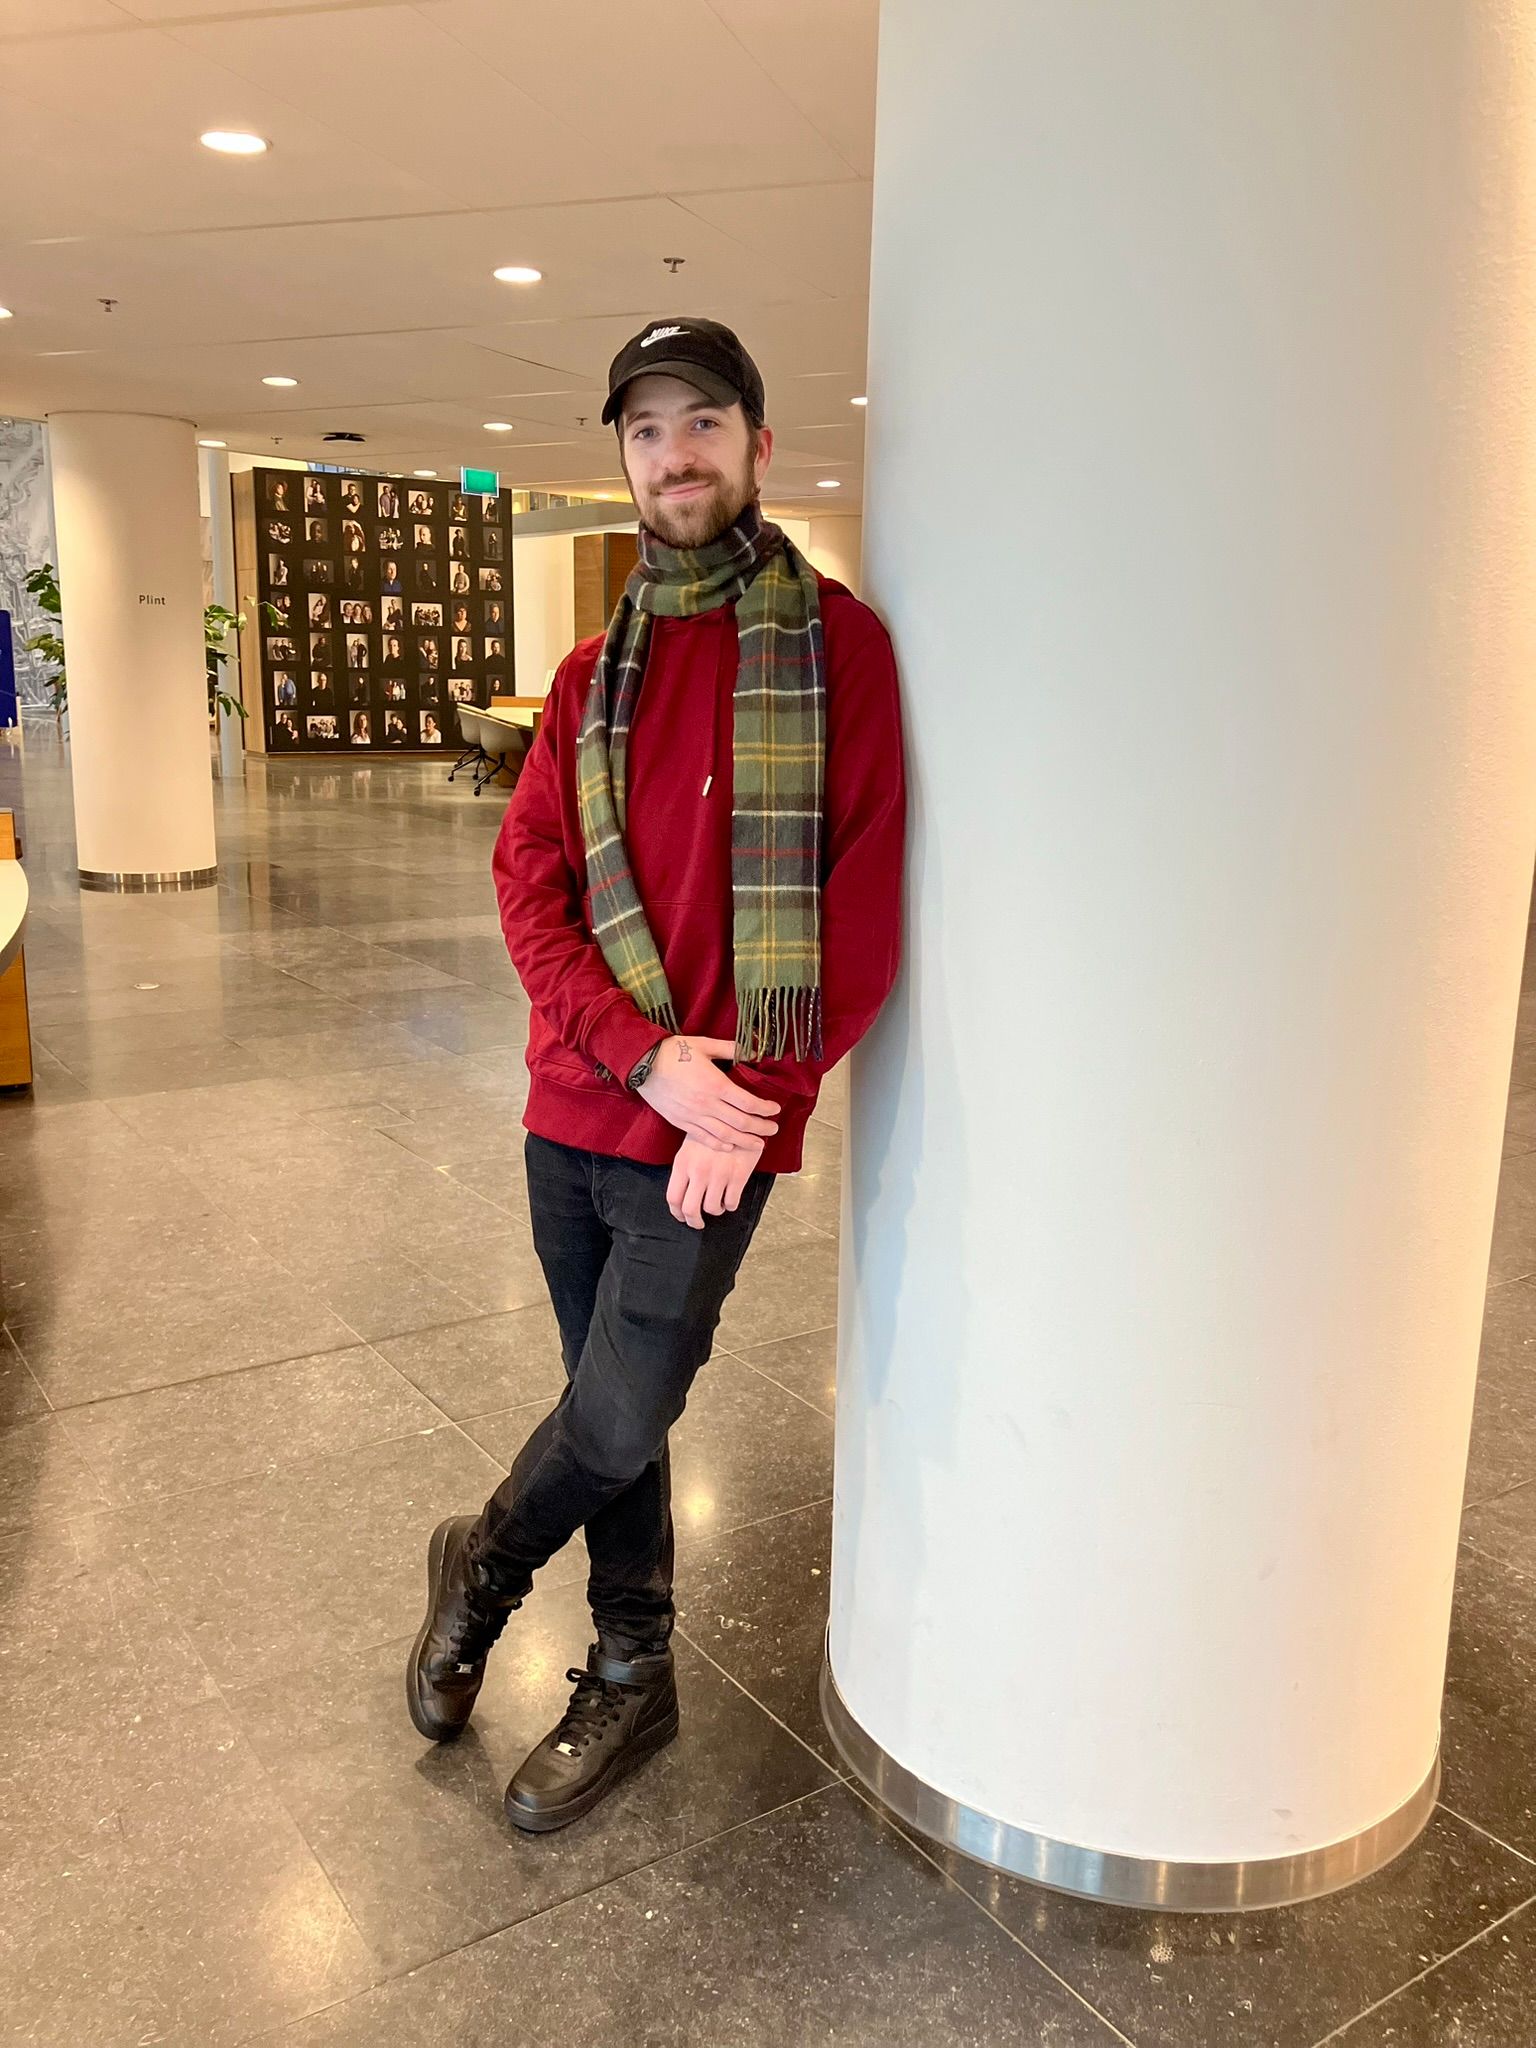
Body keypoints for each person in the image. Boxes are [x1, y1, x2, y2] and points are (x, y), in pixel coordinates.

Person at [408, 316, 905, 1833]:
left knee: (620, 1417)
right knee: (606, 1403)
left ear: (759, 443)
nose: (674, 454)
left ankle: (480, 1570)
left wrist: (748, 1108)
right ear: (620, 457)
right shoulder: (585, 679)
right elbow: (530, 887)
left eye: (703, 423)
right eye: (646, 430)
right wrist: (640, 1057)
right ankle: (633, 1664)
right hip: (580, 1110)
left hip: (711, 1138)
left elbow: (863, 903)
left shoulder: (839, 654)